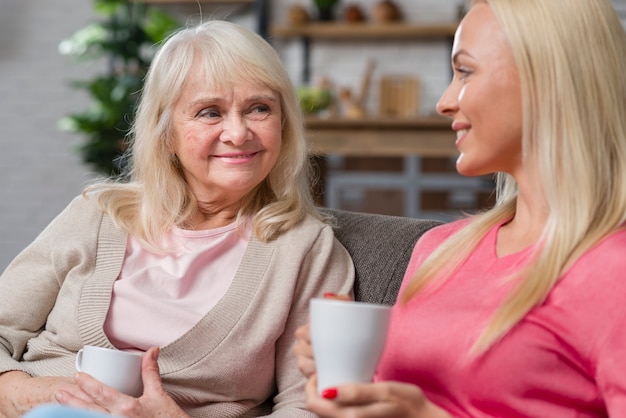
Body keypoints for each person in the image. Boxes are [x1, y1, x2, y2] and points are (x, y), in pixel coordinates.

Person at [0, 20, 354, 418]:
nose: (238, 133)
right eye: (209, 112)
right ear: (166, 134)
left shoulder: (306, 249)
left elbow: (311, 407)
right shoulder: (98, 214)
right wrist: (22, 393)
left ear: (284, 125)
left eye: (259, 108)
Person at [294, 0, 626, 416]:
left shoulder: (613, 270)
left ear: (546, 77)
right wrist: (353, 377)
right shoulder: (439, 250)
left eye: (465, 71)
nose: (444, 102)